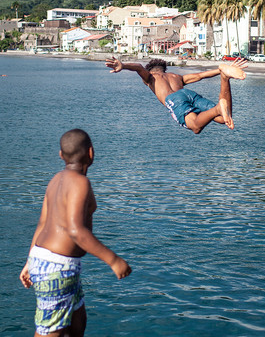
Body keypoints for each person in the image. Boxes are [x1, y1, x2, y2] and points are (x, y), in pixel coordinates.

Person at [19, 129, 131, 337]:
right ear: (91, 153)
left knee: (77, 323)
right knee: (51, 331)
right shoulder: (81, 183)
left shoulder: (55, 180)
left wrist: (30, 260)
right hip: (57, 268)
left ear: (61, 155)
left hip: (51, 262)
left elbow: (43, 222)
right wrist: (113, 260)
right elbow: (75, 230)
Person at [105, 56, 247, 134]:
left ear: (152, 70)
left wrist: (122, 65)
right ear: (164, 69)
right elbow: (200, 75)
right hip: (188, 93)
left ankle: (217, 108)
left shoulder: (150, 78)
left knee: (195, 127)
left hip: (174, 99)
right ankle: (224, 77)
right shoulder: (176, 76)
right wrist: (219, 70)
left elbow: (138, 67)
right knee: (223, 118)